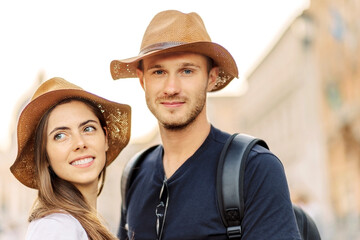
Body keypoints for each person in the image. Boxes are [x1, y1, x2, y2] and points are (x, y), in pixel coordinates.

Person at [110, 10, 301, 240]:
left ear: (211, 77)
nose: (171, 87)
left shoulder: (254, 169)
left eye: (187, 71)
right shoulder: (134, 174)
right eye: (158, 71)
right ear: (143, 81)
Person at [10, 77, 131, 240]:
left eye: (88, 128)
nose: (80, 143)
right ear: (44, 156)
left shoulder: (74, 224)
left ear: (106, 138)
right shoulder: (55, 228)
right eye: (60, 136)